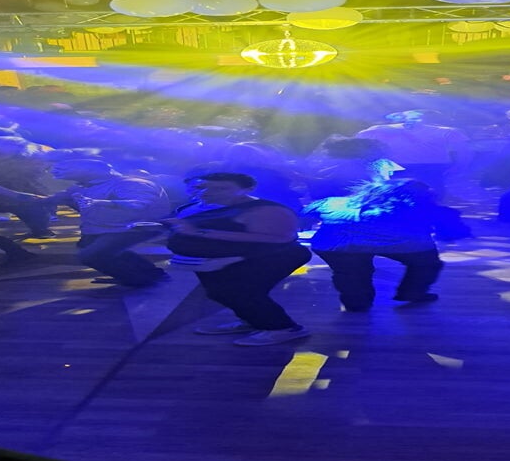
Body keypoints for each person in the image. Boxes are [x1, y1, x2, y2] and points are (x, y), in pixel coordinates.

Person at [163, 172, 311, 347]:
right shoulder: (198, 206)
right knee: (221, 292)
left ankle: (283, 328)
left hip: (270, 257)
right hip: (218, 259)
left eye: (221, 188)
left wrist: (200, 232)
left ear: (247, 189)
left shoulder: (265, 210)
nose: (207, 192)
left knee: (239, 292)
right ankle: (253, 321)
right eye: (202, 187)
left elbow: (280, 239)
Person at [0, 159, 170, 287]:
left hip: (134, 229)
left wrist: (101, 203)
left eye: (73, 170)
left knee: (92, 255)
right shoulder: (80, 187)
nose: (65, 174)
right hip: (103, 229)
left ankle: (141, 281)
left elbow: (138, 205)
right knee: (100, 250)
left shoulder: (130, 184)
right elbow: (42, 200)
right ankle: (150, 274)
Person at [304, 179, 470, 312]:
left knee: (349, 272)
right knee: (427, 263)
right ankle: (412, 292)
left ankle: (356, 304)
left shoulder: (332, 202)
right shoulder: (422, 206)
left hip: (337, 244)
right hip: (404, 244)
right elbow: (450, 232)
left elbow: (302, 217)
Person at [354, 109, 471, 199]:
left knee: (397, 198)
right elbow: (464, 153)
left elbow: (356, 144)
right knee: (430, 199)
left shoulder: (379, 129)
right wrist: (460, 168)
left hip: (405, 168)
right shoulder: (447, 131)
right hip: (427, 168)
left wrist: (368, 166)